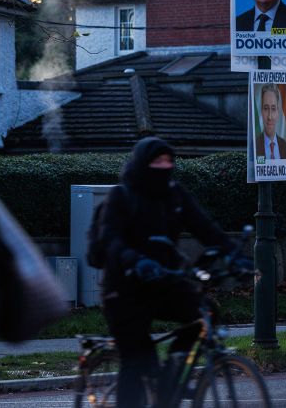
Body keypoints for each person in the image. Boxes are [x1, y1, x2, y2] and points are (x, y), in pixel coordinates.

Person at [98, 136, 232, 407]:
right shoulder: (121, 196)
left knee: (206, 313)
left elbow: (205, 227)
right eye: (157, 161)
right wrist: (135, 260)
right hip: (123, 289)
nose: (164, 166)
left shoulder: (175, 195)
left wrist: (235, 254)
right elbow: (110, 240)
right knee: (136, 358)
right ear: (142, 164)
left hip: (163, 282)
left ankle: (172, 376)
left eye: (169, 161)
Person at [254, 83, 286, 161]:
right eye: (266, 108)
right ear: (261, 111)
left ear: (278, 112)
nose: (269, 117)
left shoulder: (285, 146)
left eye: (273, 109)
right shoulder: (255, 145)